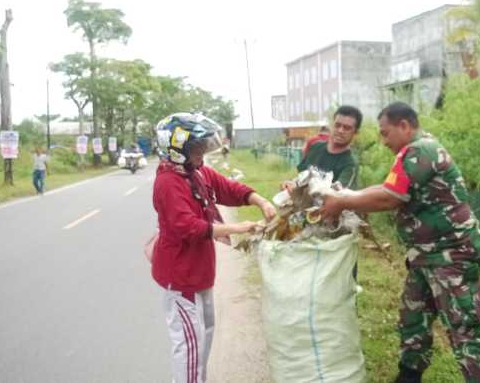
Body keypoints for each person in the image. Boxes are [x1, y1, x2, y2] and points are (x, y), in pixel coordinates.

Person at [319, 102, 480, 383]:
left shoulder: (421, 151)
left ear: (404, 126)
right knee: (413, 318)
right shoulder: (409, 153)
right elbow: (385, 188)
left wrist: (343, 200)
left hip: (452, 257)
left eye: (386, 133)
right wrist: (349, 194)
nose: (383, 141)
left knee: (465, 330)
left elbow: (390, 198)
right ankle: (409, 376)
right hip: (426, 256)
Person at [145, 112, 276, 383]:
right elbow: (188, 227)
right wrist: (237, 228)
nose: (203, 151)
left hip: (200, 273)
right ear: (177, 147)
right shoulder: (168, 182)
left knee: (203, 339)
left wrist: (259, 201)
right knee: (189, 348)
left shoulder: (197, 172)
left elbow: (228, 188)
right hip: (181, 279)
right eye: (197, 146)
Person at [282, 105, 362, 193]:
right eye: (337, 125)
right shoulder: (316, 147)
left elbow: (339, 195)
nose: (340, 130)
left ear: (355, 133)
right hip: (302, 204)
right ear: (332, 125)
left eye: (347, 128)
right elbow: (301, 177)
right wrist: (292, 184)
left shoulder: (350, 164)